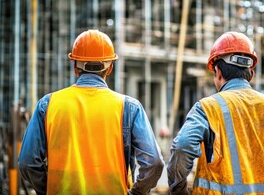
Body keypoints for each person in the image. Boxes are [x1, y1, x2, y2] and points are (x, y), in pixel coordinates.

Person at [18, 29, 164, 195]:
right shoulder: (129, 107)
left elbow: (27, 162)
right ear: (109, 69)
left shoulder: (48, 104)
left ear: (75, 67)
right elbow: (154, 162)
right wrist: (136, 192)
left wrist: (48, 190)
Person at [167, 31, 264, 194]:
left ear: (218, 72)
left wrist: (178, 190)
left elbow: (182, 147)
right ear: (251, 73)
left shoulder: (207, 108)